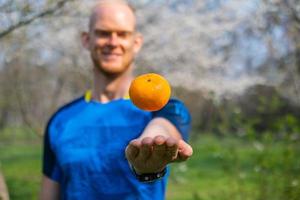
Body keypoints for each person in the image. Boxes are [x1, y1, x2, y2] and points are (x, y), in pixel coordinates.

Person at [40, 0, 193, 199]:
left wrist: (150, 147)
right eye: (103, 33)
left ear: (136, 42)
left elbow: (162, 128)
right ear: (87, 39)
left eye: (123, 34)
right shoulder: (60, 121)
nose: (113, 42)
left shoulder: (164, 108)